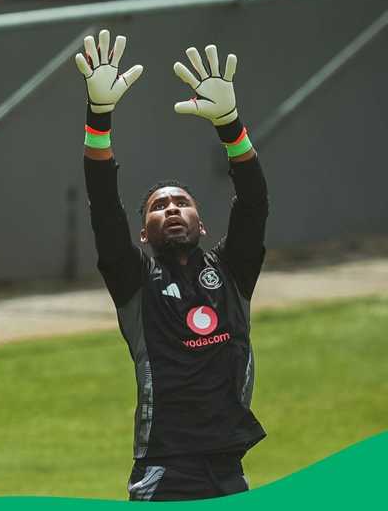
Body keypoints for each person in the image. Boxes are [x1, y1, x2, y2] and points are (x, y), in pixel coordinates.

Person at [77, 29, 268, 501]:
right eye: (158, 207)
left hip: (229, 471)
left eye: (180, 202)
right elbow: (103, 206)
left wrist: (231, 125)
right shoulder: (134, 283)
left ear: (201, 223)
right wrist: (98, 117)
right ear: (144, 234)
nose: (170, 208)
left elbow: (254, 203)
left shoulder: (233, 272)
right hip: (163, 470)